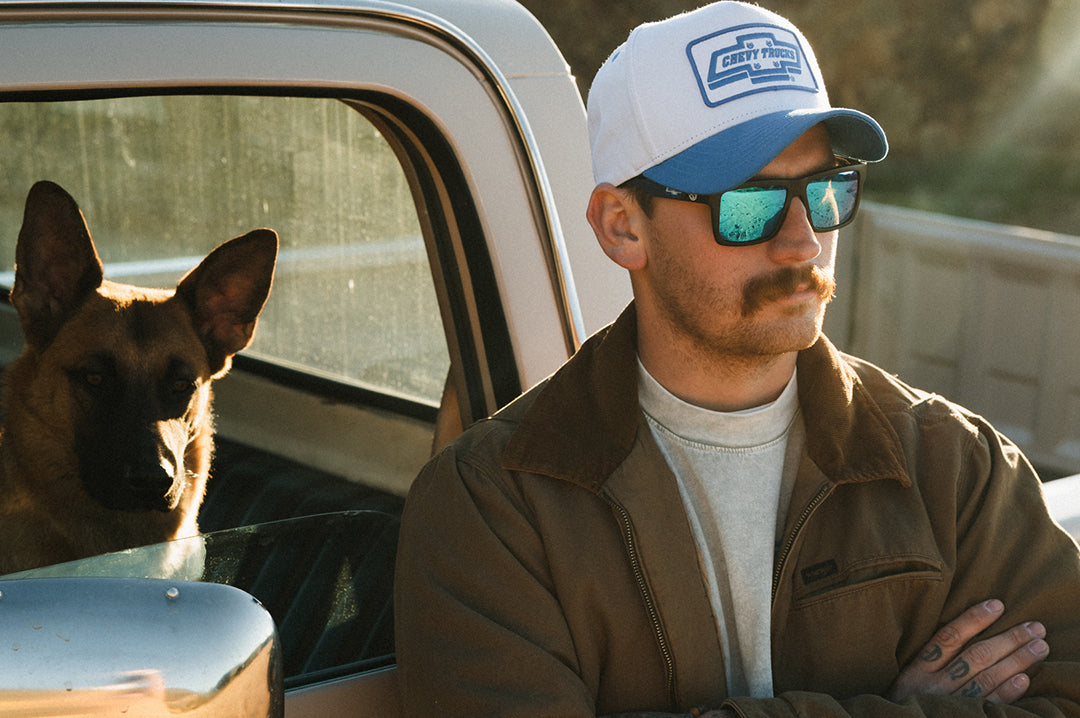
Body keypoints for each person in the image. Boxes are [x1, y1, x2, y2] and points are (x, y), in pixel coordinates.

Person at [394, 2, 1080, 715]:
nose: (802, 242)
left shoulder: (956, 470)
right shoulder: (491, 506)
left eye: (825, 191)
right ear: (623, 227)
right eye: (747, 204)